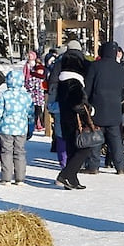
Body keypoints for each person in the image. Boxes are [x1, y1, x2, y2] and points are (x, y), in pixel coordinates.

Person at [85, 41, 124, 175]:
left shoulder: (95, 66)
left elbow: (87, 87)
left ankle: (93, 166)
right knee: (115, 139)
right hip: (114, 107)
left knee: (96, 136)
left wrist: (87, 102)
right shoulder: (120, 68)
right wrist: (120, 97)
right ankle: (120, 167)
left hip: (97, 106)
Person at [53, 49, 94, 190]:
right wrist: (88, 109)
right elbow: (77, 103)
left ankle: (72, 179)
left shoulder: (62, 81)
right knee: (84, 148)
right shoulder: (74, 82)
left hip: (65, 119)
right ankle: (66, 175)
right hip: (76, 122)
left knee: (71, 148)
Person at [0, 68, 33, 185]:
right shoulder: (26, 96)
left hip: (6, 129)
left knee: (6, 152)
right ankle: (20, 178)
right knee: (20, 152)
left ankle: (6, 177)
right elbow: (30, 113)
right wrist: (30, 125)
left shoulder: (3, 95)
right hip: (21, 128)